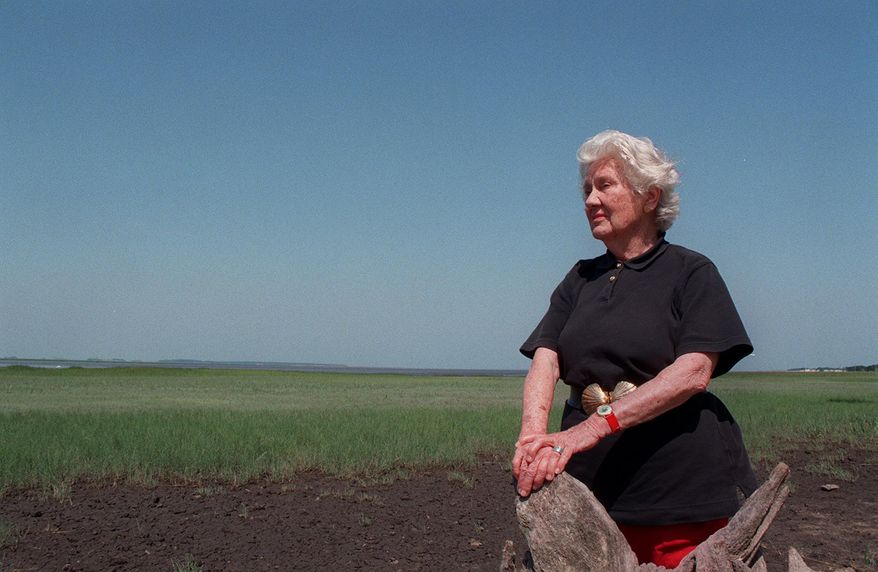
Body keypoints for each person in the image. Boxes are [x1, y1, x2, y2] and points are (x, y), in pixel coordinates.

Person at [512, 130, 757, 568]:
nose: (590, 200)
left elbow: (694, 370)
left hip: (675, 490)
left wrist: (588, 430)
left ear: (649, 197)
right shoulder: (579, 278)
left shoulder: (691, 272)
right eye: (586, 189)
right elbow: (546, 358)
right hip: (587, 487)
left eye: (604, 185)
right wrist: (533, 437)